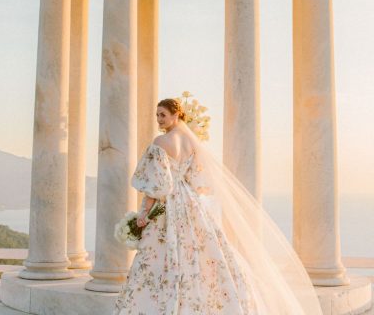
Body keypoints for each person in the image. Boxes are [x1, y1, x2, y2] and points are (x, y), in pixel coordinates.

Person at [113, 98, 323, 315]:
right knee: (199, 255)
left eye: (163, 114)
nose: (159, 119)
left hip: (168, 204)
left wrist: (144, 213)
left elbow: (156, 187)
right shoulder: (192, 142)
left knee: (160, 258)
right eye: (157, 115)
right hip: (190, 201)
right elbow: (197, 179)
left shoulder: (159, 143)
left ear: (176, 115)